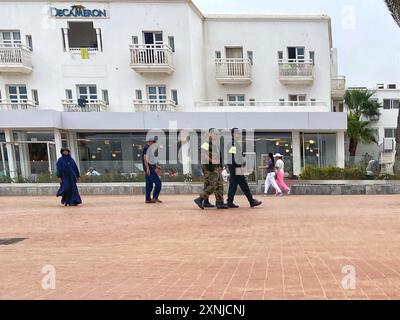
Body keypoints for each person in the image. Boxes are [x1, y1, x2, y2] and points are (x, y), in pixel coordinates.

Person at [226, 128, 262, 208]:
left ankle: (230, 201)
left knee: (233, 185)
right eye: (237, 133)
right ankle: (251, 201)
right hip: (235, 167)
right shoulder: (232, 144)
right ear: (233, 134)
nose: (239, 135)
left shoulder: (234, 144)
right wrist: (241, 162)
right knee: (243, 184)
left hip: (235, 167)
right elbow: (233, 157)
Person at [194, 128, 228, 210]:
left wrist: (220, 166)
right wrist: (212, 160)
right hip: (209, 168)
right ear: (210, 134)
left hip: (216, 167)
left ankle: (219, 202)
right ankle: (200, 199)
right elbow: (203, 153)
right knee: (213, 184)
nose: (217, 136)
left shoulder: (214, 144)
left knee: (219, 185)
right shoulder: (206, 143)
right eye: (215, 134)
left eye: (217, 134)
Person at [142, 136, 162, 204]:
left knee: (149, 184)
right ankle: (154, 198)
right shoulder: (146, 148)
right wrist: (147, 168)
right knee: (158, 182)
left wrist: (156, 166)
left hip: (150, 168)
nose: (154, 143)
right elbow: (145, 158)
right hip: (149, 169)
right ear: (149, 142)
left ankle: (148, 199)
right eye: (153, 142)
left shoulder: (149, 148)